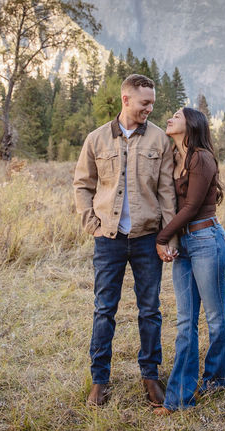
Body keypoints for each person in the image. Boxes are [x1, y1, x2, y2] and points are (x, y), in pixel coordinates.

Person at [74, 74, 177, 408]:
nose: (150, 109)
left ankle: (150, 377)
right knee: (104, 309)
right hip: (109, 239)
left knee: (150, 311)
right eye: (145, 103)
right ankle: (99, 381)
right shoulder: (97, 139)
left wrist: (167, 236)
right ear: (126, 100)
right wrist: (91, 223)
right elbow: (82, 184)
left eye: (152, 103)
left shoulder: (160, 140)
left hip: (148, 239)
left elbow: (166, 193)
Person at [153, 107, 225, 414]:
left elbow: (190, 208)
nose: (169, 118)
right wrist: (172, 239)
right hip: (185, 245)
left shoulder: (201, 157)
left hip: (207, 241)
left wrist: (161, 238)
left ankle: (214, 383)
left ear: (191, 124)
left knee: (215, 318)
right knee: (185, 322)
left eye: (176, 114)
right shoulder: (174, 158)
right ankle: (180, 399)